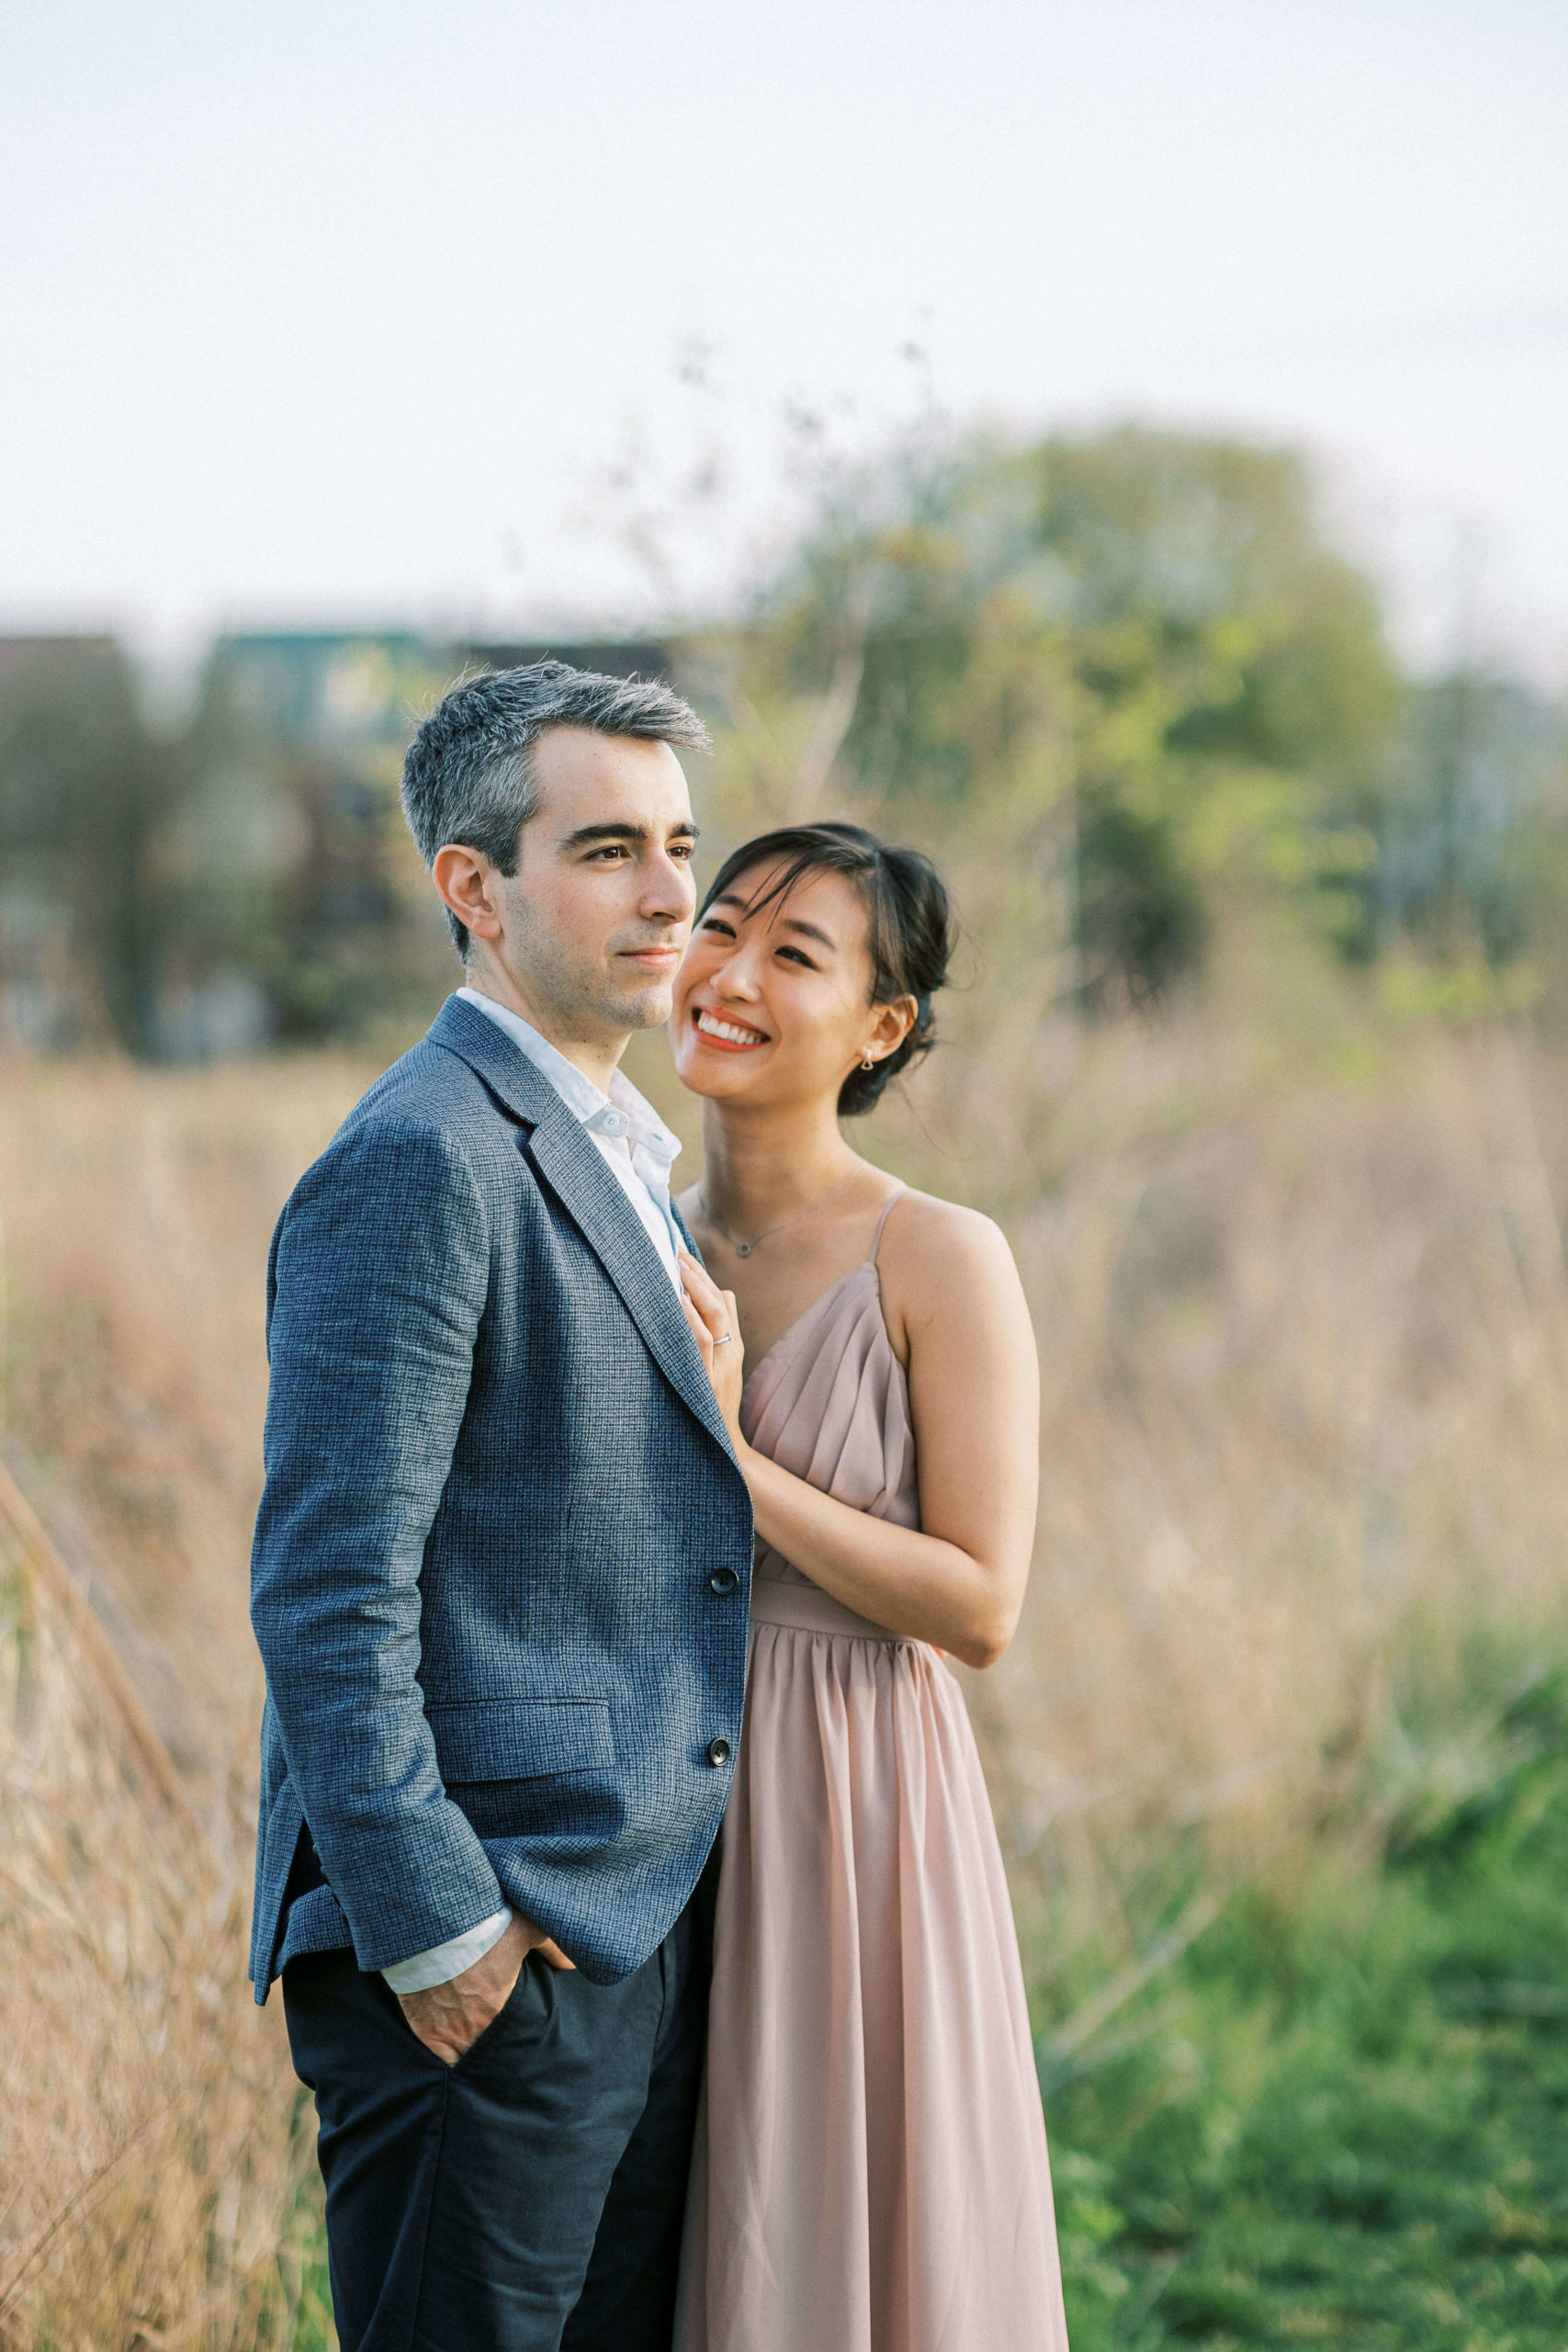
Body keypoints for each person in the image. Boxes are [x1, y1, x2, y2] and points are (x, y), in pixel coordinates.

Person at [248, 661, 754, 2352]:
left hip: (638, 1926)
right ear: (474, 888)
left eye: (681, 842)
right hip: (489, 1948)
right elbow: (328, 1589)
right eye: (609, 848)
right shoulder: (422, 1154)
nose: (675, 893)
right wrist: (441, 1929)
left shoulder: (622, 1144)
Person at [669, 821, 1071, 2351]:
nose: (732, 972)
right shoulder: (638, 1225)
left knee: (834, 2227)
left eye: (795, 953)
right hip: (652, 1792)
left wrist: (734, 1459)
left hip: (849, 1796)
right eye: (722, 927)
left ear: (881, 1027)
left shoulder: (938, 1254)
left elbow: (981, 1605)